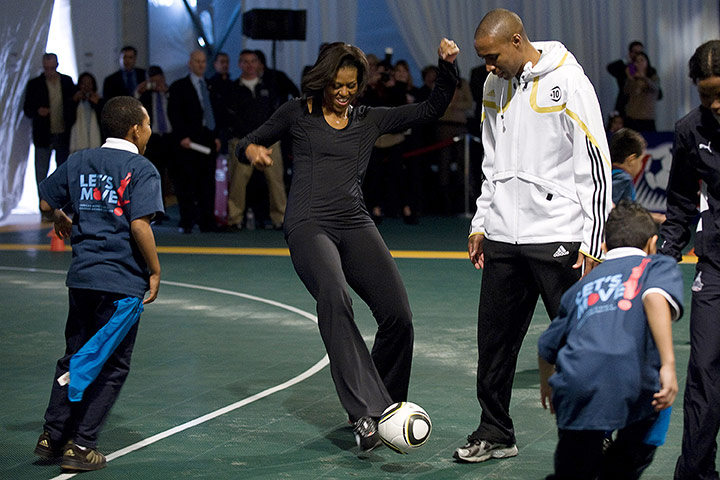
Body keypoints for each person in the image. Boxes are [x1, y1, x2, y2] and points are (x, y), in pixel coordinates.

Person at [236, 38, 459, 451]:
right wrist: (252, 150)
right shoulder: (297, 113)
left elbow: (430, 110)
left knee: (399, 316)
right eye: (337, 85)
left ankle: (385, 410)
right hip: (307, 224)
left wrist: (446, 67)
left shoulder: (367, 119)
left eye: (351, 86)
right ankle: (363, 413)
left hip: (354, 222)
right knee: (336, 297)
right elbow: (246, 142)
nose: (343, 94)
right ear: (323, 81)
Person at [456, 9, 612, 463]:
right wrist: (482, 222)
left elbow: (596, 163)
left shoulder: (570, 82)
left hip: (559, 234)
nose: (487, 66)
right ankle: (495, 431)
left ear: (517, 40)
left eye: (491, 56)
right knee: (495, 342)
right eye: (482, 58)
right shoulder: (491, 85)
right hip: (504, 233)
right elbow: (491, 161)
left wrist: (594, 241)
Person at [32, 96, 163, 472]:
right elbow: (139, 224)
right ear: (135, 129)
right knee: (112, 364)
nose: (150, 131)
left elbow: (45, 200)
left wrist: (60, 215)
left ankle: (52, 435)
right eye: (148, 124)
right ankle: (82, 445)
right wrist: (154, 270)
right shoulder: (141, 168)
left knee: (75, 355)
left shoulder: (78, 161)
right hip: (121, 282)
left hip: (83, 278)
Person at [538, 200, 683, 480]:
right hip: (635, 382)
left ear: (604, 247)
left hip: (576, 385)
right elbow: (654, 297)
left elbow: (547, 346)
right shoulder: (656, 266)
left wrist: (547, 385)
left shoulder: (581, 288)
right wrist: (668, 364)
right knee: (643, 434)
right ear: (652, 244)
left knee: (574, 468)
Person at [660, 39, 720, 480]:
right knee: (703, 372)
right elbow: (681, 205)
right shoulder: (689, 131)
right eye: (705, 94)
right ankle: (695, 474)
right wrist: (661, 263)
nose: (714, 103)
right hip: (715, 268)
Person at [226, 50, 287, 231]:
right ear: (239, 64)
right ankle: (235, 219)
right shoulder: (233, 88)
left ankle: (281, 218)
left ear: (259, 64)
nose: (250, 65)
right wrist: (247, 140)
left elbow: (276, 114)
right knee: (237, 182)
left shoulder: (268, 86)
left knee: (276, 181)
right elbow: (230, 117)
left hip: (269, 142)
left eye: (253, 61)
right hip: (242, 142)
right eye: (245, 62)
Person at [167, 49, 221, 233]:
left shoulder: (211, 86)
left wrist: (216, 137)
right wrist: (182, 136)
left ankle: (207, 221)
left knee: (207, 183)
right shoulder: (178, 87)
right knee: (186, 183)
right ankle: (187, 221)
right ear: (190, 63)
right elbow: (174, 113)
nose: (200, 65)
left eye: (203, 61)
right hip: (187, 141)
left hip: (207, 139)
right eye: (197, 61)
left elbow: (215, 113)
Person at [23, 53, 76, 193]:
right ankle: (44, 208)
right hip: (43, 134)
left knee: (63, 172)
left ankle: (63, 206)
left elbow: (73, 106)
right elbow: (27, 109)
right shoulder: (34, 84)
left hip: (63, 133)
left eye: (52, 68)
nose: (49, 71)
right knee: (41, 173)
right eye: (46, 68)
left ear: (57, 66)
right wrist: (38, 111)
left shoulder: (66, 81)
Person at [138, 65, 173, 220]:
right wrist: (140, 91)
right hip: (152, 139)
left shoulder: (170, 92)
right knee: (153, 175)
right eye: (152, 81)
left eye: (158, 80)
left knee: (172, 175)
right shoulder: (145, 96)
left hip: (170, 138)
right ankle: (156, 211)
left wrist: (165, 91)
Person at [623, 52, 660, 132]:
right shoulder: (632, 79)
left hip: (647, 118)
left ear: (647, 62)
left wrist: (643, 77)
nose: (639, 63)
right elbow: (626, 91)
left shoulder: (653, 77)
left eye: (642, 60)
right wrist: (630, 77)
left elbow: (655, 89)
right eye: (637, 61)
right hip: (632, 118)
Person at [607, 41, 644, 120]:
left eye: (640, 52)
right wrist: (627, 62)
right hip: (625, 105)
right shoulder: (626, 67)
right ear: (630, 53)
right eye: (635, 52)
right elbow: (610, 68)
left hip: (641, 107)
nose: (637, 55)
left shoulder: (647, 70)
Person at [610, 127, 646, 204]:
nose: (641, 165)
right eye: (640, 161)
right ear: (631, 160)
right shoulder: (623, 178)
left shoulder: (606, 173)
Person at [69, 72, 103, 153]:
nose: (86, 86)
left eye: (89, 83)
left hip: (95, 142)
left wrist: (97, 103)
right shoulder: (74, 101)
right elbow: (68, 119)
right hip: (78, 142)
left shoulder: (99, 101)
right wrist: (74, 101)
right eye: (83, 83)